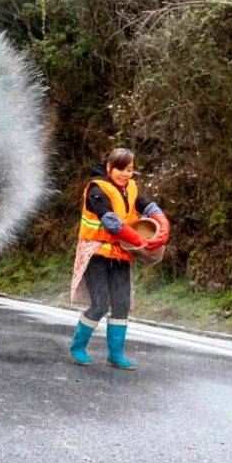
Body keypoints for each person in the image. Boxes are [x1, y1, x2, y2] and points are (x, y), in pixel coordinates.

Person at [68, 148, 170, 370]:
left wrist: (162, 221)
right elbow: (110, 221)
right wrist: (139, 241)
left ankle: (115, 355)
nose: (125, 174)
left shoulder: (130, 188)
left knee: (122, 303)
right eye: (120, 169)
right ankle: (77, 347)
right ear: (109, 168)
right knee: (100, 304)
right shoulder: (96, 190)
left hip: (121, 254)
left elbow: (147, 206)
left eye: (130, 170)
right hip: (96, 254)